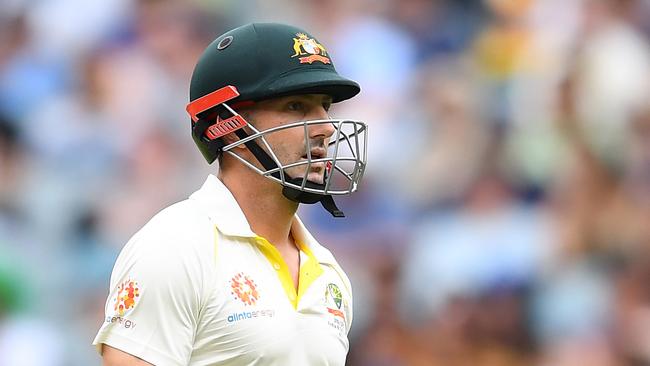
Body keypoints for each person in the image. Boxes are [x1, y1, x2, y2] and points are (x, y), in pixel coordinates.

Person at [93, 22, 368, 366]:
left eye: (325, 105)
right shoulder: (174, 249)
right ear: (228, 125)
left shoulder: (329, 272)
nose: (326, 127)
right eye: (297, 106)